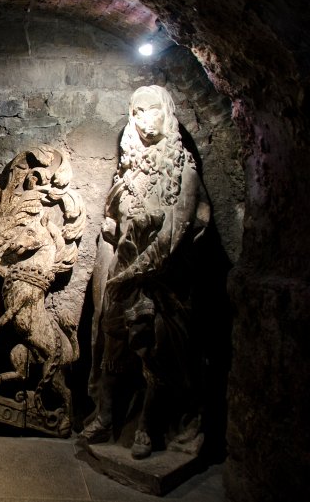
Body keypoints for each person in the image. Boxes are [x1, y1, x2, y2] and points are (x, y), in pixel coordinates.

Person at [81, 85, 210, 459]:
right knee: (111, 340)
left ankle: (148, 428)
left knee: (155, 350)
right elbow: (112, 219)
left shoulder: (183, 170)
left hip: (160, 279)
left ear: (167, 114)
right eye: (136, 112)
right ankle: (105, 416)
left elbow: (180, 227)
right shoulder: (129, 170)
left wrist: (140, 267)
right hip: (123, 273)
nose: (142, 120)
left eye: (151, 110)